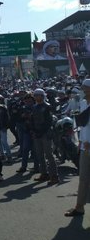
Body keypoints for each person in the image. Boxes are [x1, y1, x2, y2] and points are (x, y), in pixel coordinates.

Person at [65, 79, 90, 217]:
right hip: (84, 147)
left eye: (85, 88)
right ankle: (79, 207)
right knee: (83, 178)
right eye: (83, 88)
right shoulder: (83, 103)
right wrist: (81, 141)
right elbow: (84, 126)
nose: (83, 90)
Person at [31, 89, 59, 185]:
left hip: (46, 134)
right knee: (39, 155)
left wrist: (40, 131)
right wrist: (34, 131)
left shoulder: (47, 107)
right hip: (37, 134)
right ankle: (44, 174)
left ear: (42, 96)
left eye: (38, 95)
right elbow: (32, 120)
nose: (36, 97)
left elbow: (49, 122)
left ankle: (54, 176)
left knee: (49, 155)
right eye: (35, 95)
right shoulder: (34, 107)